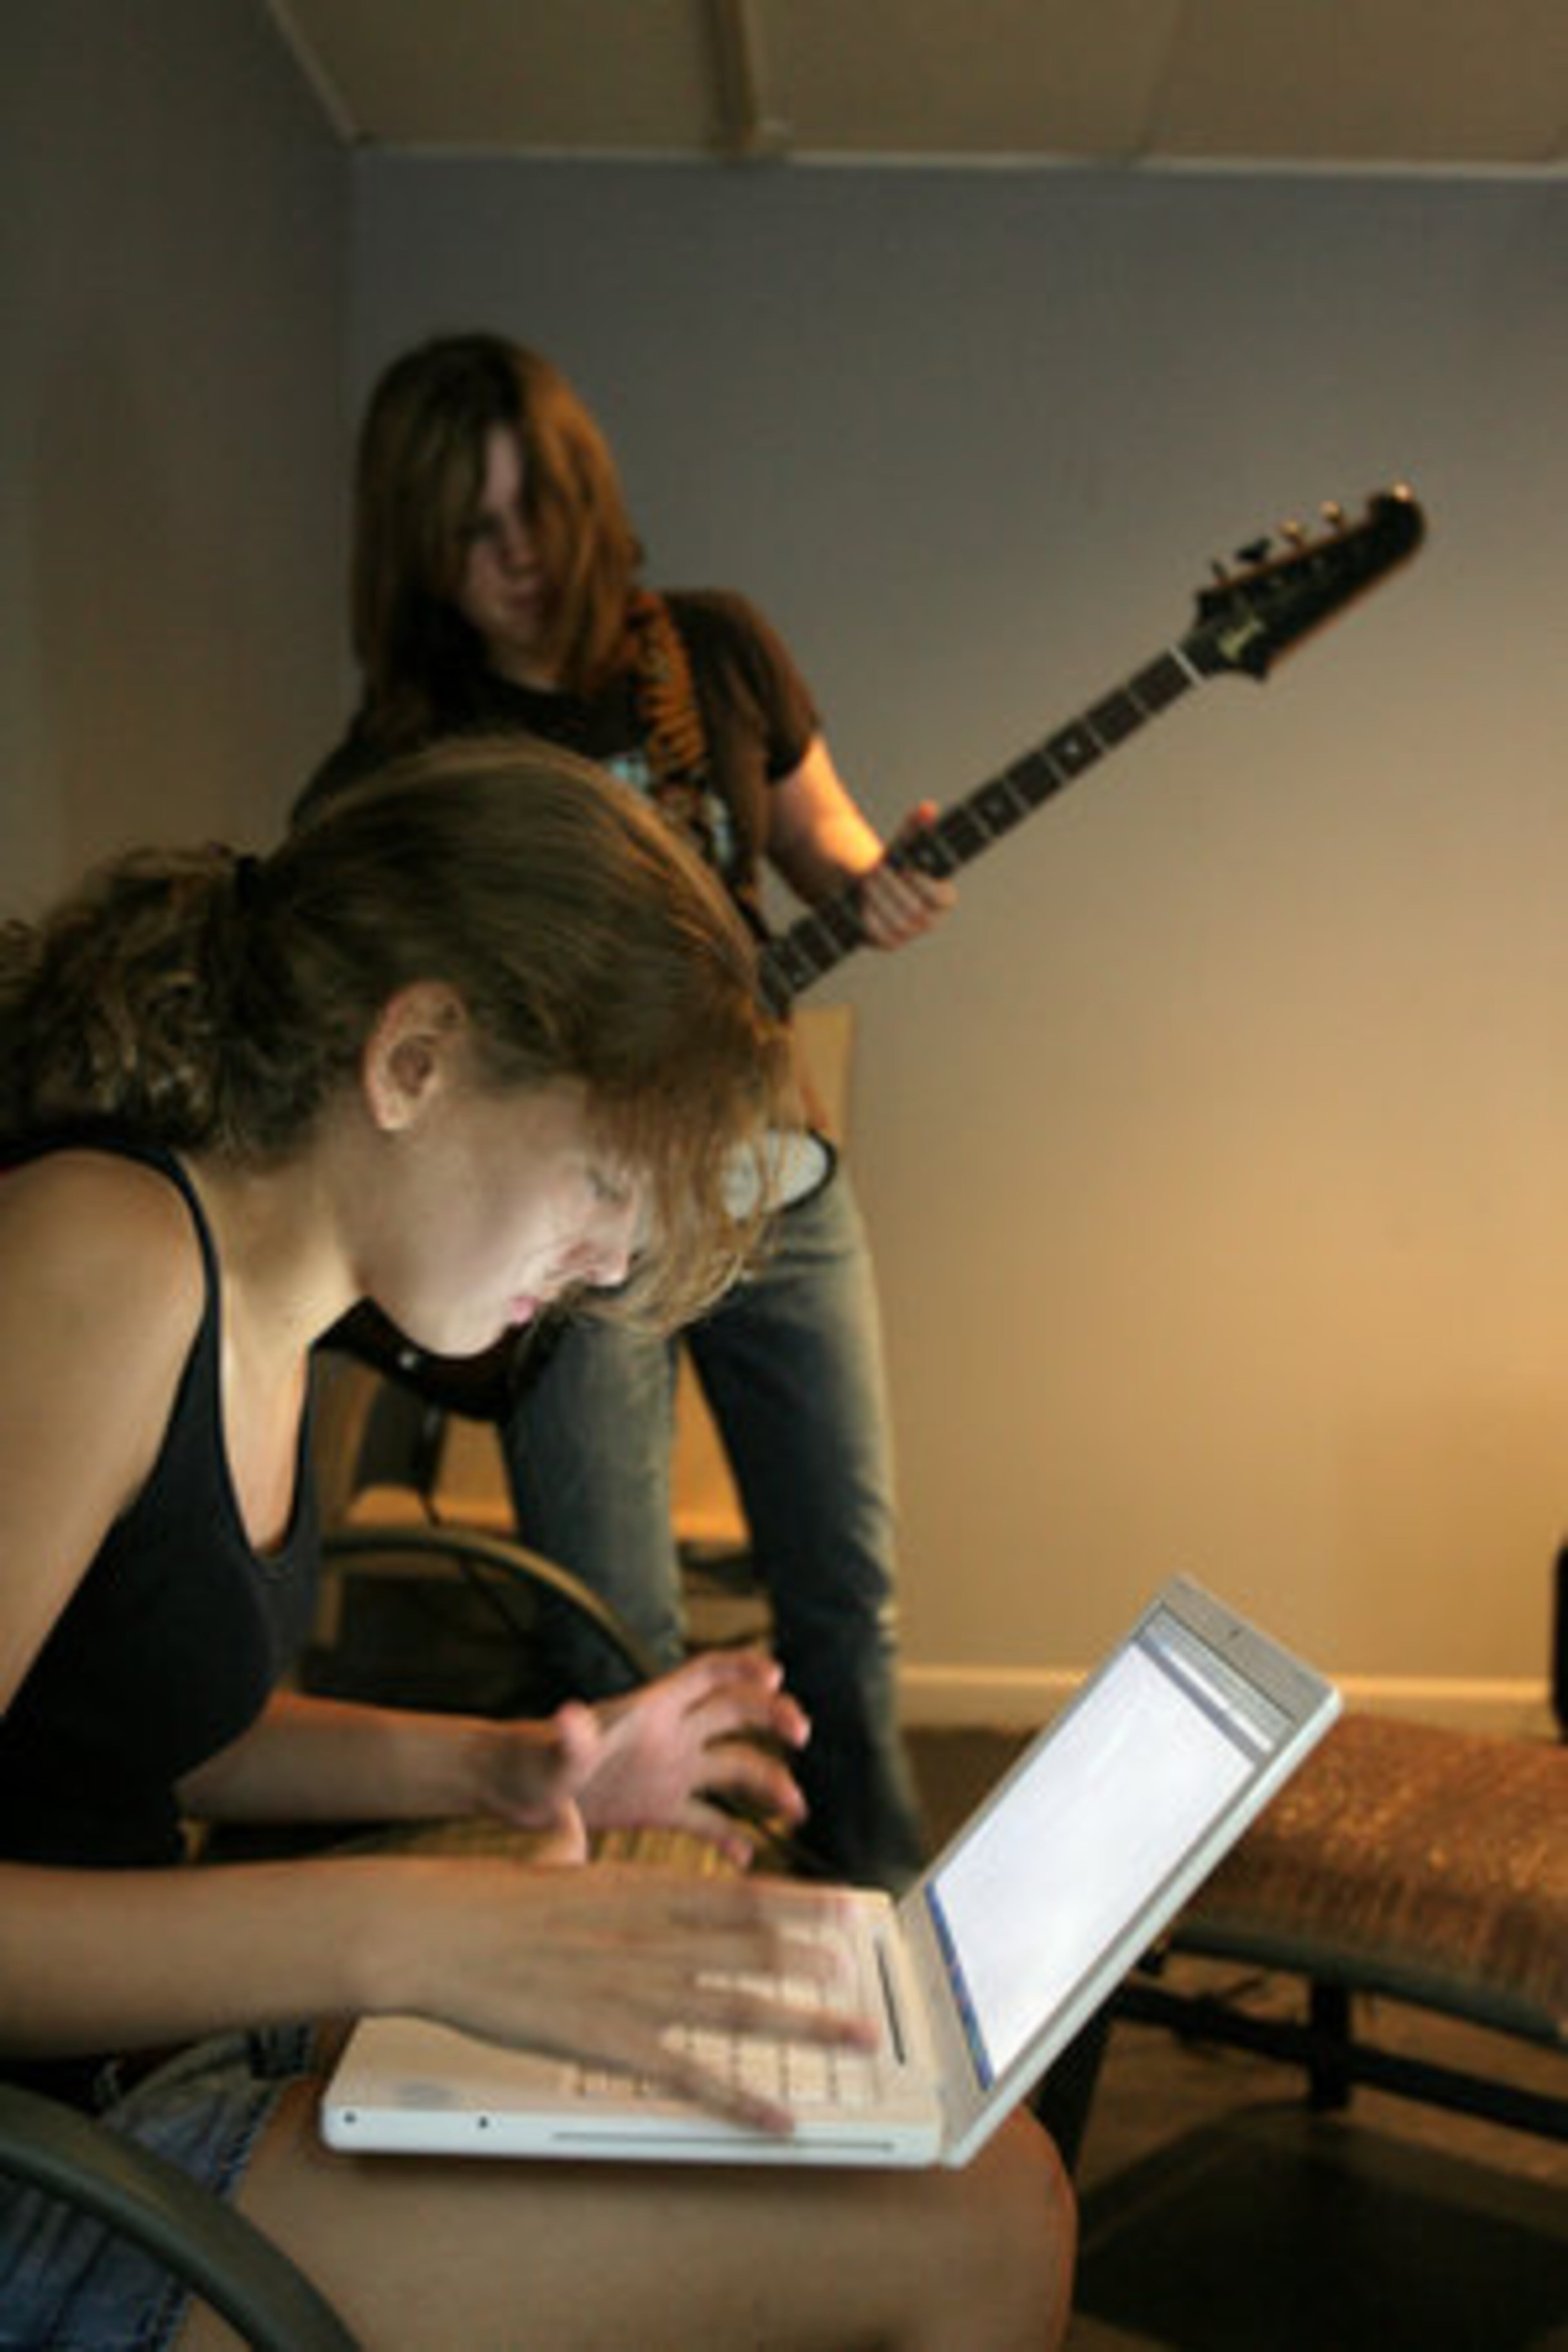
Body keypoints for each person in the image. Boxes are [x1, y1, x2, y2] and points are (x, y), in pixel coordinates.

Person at [0, 741, 1074, 2348]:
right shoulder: (110, 1256)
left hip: (122, 2089)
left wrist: (509, 1777)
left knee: (946, 2168)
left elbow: (136, 1736)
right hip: (51, 2171)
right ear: (415, 1057)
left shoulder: (279, 1314)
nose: (616, 1255)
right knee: (971, 2225)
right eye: (602, 1179)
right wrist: (409, 1933)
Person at [297, 331, 958, 1891]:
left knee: (846, 1599)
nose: (516, 558)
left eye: (537, 510)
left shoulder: (711, 653)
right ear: (415, 546)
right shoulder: (404, 762)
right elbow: (370, 1026)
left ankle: (888, 1914)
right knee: (613, 1631)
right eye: (469, 528)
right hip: (577, 1239)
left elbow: (827, 851)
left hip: (778, 1192)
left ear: (588, 496)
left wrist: (885, 883)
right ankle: (669, 1931)